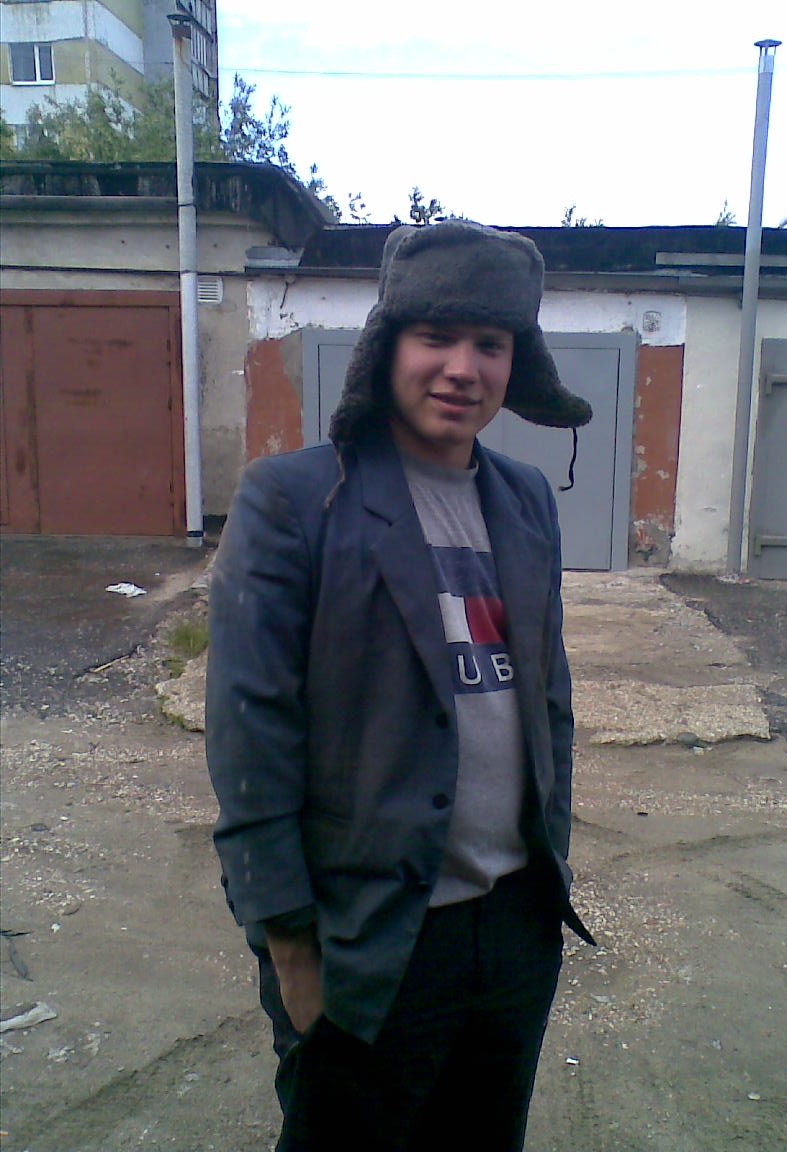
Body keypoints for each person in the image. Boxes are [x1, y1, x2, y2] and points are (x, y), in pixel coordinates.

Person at [205, 220, 595, 1152]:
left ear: (515, 362)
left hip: (512, 926)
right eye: (436, 337)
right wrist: (288, 944)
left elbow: (547, 699)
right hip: (371, 937)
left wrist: (548, 869)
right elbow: (251, 730)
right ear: (387, 346)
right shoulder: (294, 499)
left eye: (490, 344)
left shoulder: (525, 498)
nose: (462, 368)